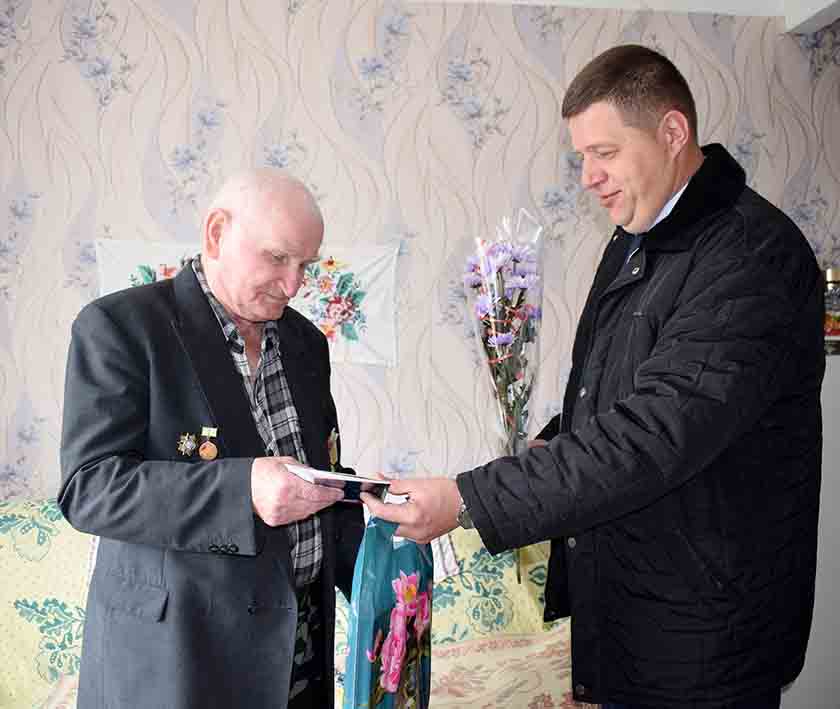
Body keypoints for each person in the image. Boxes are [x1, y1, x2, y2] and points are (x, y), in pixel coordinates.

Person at [363, 45, 825, 709]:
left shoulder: (750, 257)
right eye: (582, 156)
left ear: (672, 132)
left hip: (704, 642)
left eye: (604, 152)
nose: (588, 177)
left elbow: (653, 435)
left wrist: (467, 499)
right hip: (636, 618)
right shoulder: (639, 239)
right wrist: (548, 444)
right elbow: (617, 399)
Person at [59, 168, 365, 709]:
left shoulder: (306, 342)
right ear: (216, 232)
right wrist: (242, 490)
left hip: (297, 654)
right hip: (175, 662)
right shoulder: (120, 326)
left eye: (305, 266)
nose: (293, 285)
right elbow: (90, 488)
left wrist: (374, 511)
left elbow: (315, 476)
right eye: (277, 258)